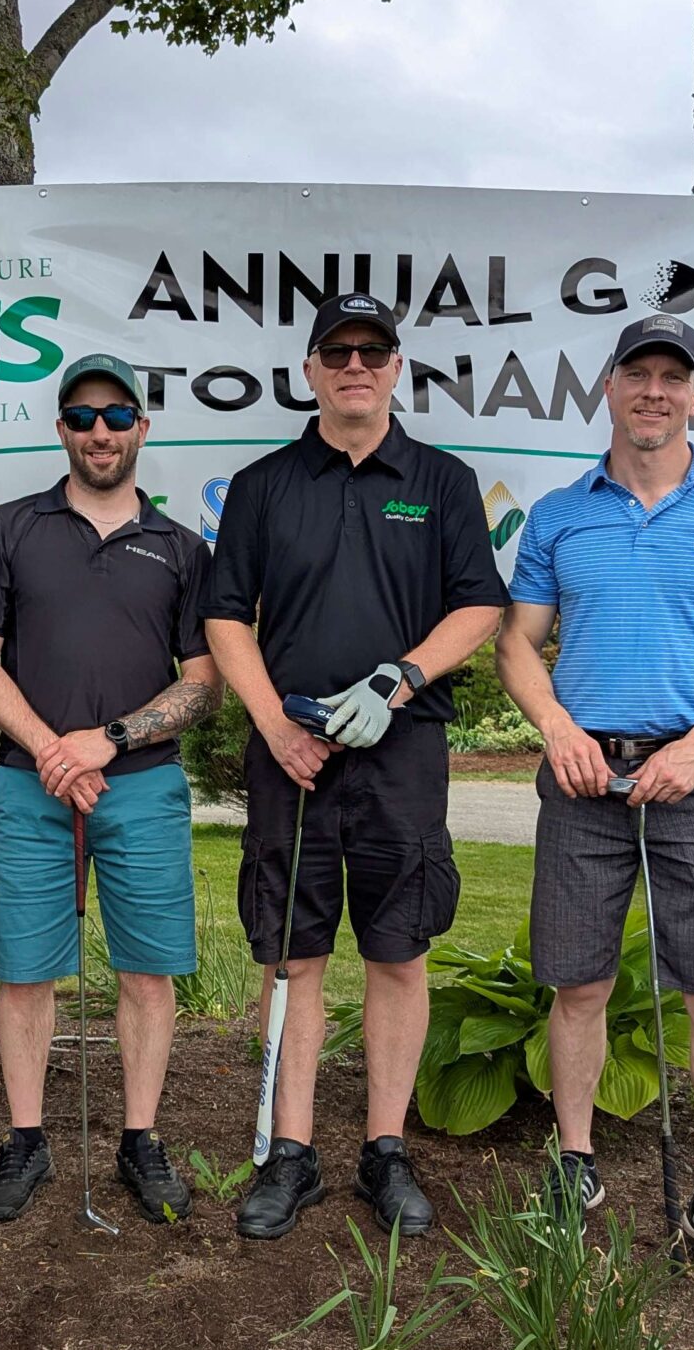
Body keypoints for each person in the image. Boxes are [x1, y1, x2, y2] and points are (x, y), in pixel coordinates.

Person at [495, 312, 694, 1276]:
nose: (654, 392)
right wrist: (558, 729)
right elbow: (517, 643)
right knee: (578, 984)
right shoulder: (559, 515)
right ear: (611, 388)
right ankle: (575, 1162)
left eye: (674, 377)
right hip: (582, 776)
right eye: (638, 374)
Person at [204, 291, 506, 1241]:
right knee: (294, 958)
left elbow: (479, 607)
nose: (356, 367)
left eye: (374, 352)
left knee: (397, 953)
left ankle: (385, 1151)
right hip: (291, 754)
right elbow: (224, 617)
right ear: (310, 371)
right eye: (337, 352)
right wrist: (273, 726)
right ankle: (291, 1156)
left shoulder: (443, 481)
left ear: (396, 369)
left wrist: (399, 680)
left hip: (400, 754)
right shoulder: (263, 485)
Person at [0, 357, 221, 1223]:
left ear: (141, 428)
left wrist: (106, 741)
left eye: (115, 416)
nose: (98, 432)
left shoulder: (181, 547)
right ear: (61, 429)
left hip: (142, 787)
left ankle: (140, 1139)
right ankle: (26, 1139)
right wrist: (50, 749)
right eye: (81, 416)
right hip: (31, 786)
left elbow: (203, 683)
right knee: (25, 971)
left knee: (147, 972)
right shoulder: (8, 529)